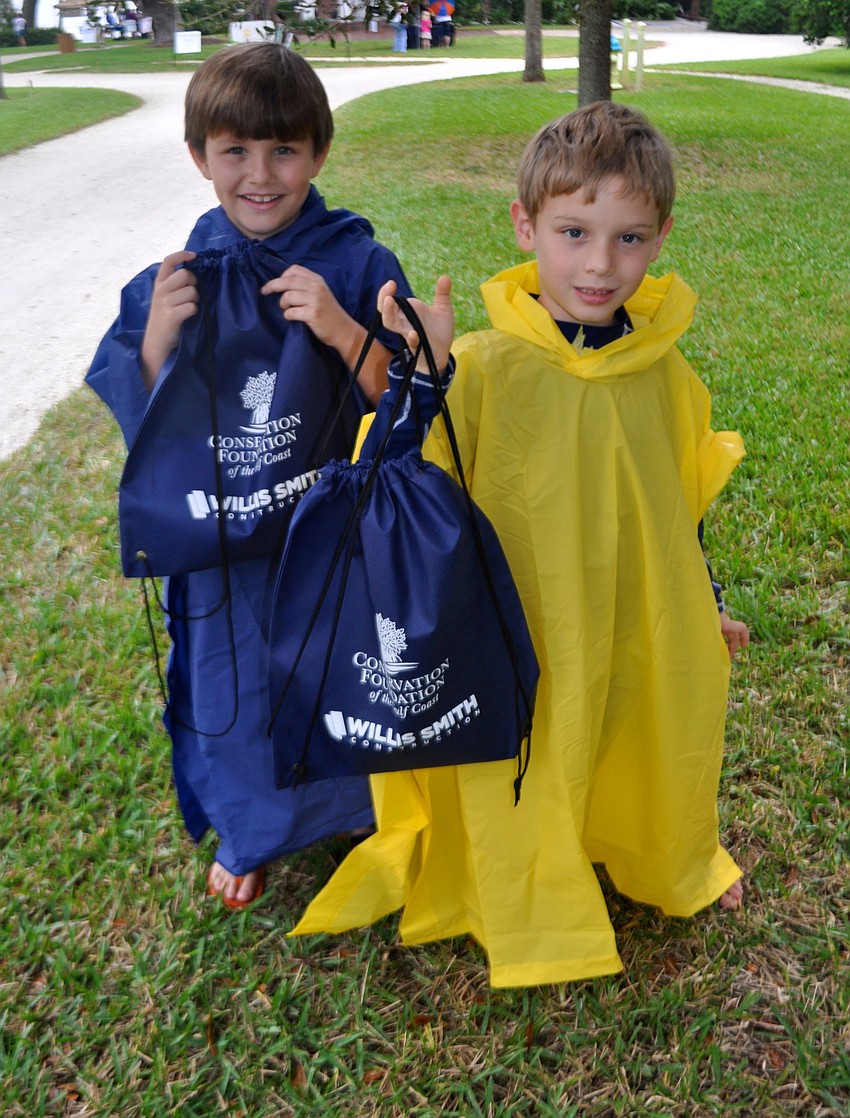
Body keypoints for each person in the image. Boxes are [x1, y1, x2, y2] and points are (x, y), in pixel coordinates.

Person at [290, 102, 750, 986]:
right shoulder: (487, 365)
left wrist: (709, 599)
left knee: (636, 725)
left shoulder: (663, 367)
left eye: (629, 238)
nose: (599, 264)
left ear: (661, 240)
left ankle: (658, 851)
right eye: (574, 232)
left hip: (625, 616)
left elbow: (674, 501)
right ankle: (529, 895)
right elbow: (393, 482)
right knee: (531, 753)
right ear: (525, 223)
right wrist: (423, 382)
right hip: (519, 623)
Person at [87, 44, 413, 910]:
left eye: (284, 151)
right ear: (200, 158)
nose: (260, 175)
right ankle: (253, 828)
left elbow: (408, 397)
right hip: (225, 547)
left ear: (319, 153)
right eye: (235, 151)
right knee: (234, 680)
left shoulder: (356, 261)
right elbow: (141, 399)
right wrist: (158, 336)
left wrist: (344, 330)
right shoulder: (184, 272)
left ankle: (359, 805)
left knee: (340, 667)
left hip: (330, 536)